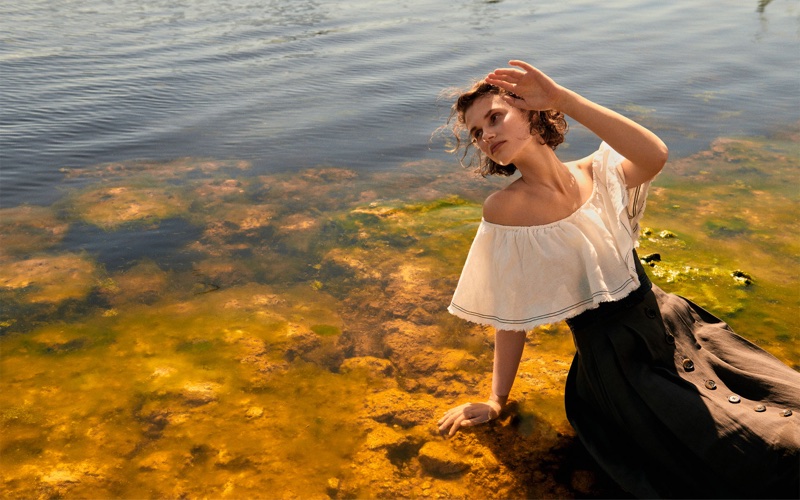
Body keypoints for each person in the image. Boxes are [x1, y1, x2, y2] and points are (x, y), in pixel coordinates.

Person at [437, 60, 800, 498]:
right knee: (773, 451)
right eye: (477, 132)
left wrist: (562, 98)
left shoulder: (599, 171)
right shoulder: (504, 209)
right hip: (618, 364)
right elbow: (510, 313)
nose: (487, 136)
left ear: (531, 112)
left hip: (677, 325)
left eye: (495, 117)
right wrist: (497, 400)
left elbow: (654, 154)